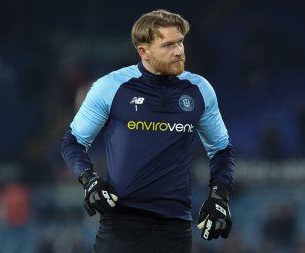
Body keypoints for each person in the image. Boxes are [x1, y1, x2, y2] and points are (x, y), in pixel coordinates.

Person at [60, 9, 234, 253]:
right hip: (121, 225)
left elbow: (221, 149)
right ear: (144, 52)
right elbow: (73, 141)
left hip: (175, 229)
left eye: (181, 42)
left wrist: (219, 197)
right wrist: (89, 179)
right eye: (168, 45)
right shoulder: (111, 87)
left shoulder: (200, 89)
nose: (179, 51)